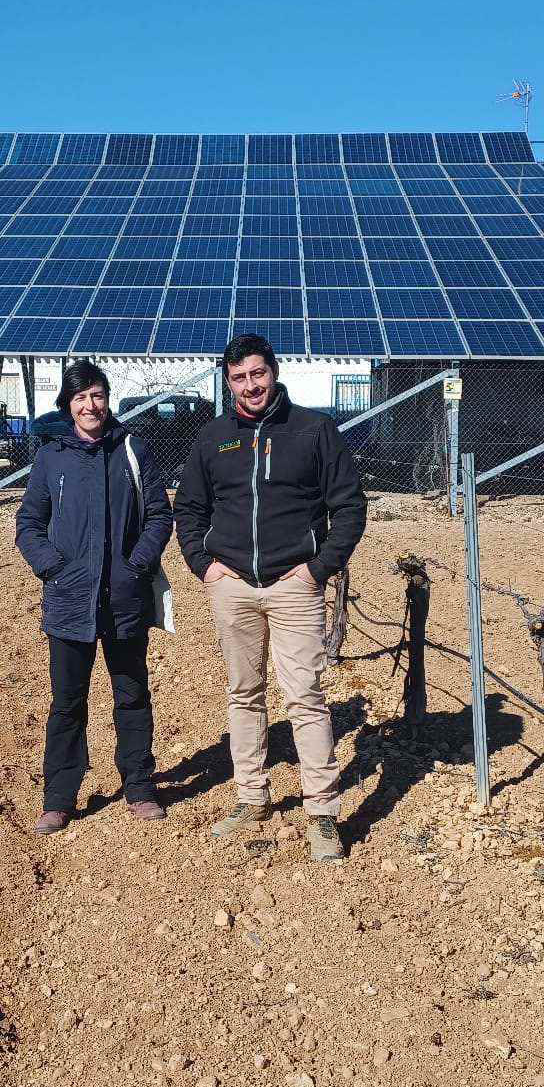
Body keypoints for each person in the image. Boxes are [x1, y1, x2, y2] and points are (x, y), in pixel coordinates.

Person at [173, 334, 367, 861]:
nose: (251, 385)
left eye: (257, 374)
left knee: (304, 696)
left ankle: (322, 811)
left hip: (293, 585)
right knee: (244, 695)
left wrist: (319, 569)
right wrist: (204, 565)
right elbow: (188, 509)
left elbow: (349, 508)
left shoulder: (312, 430)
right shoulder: (214, 439)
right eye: (239, 378)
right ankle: (251, 798)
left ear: (274, 372)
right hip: (232, 585)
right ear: (228, 381)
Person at [14, 360, 175, 835]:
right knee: (67, 700)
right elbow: (29, 524)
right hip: (69, 599)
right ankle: (59, 797)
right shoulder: (51, 457)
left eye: (98, 395)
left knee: (131, 693)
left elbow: (159, 516)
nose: (90, 405)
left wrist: (136, 565)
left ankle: (140, 787)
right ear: (68, 405)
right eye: (80, 397)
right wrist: (53, 567)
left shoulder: (132, 450)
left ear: (108, 400)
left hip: (124, 597)